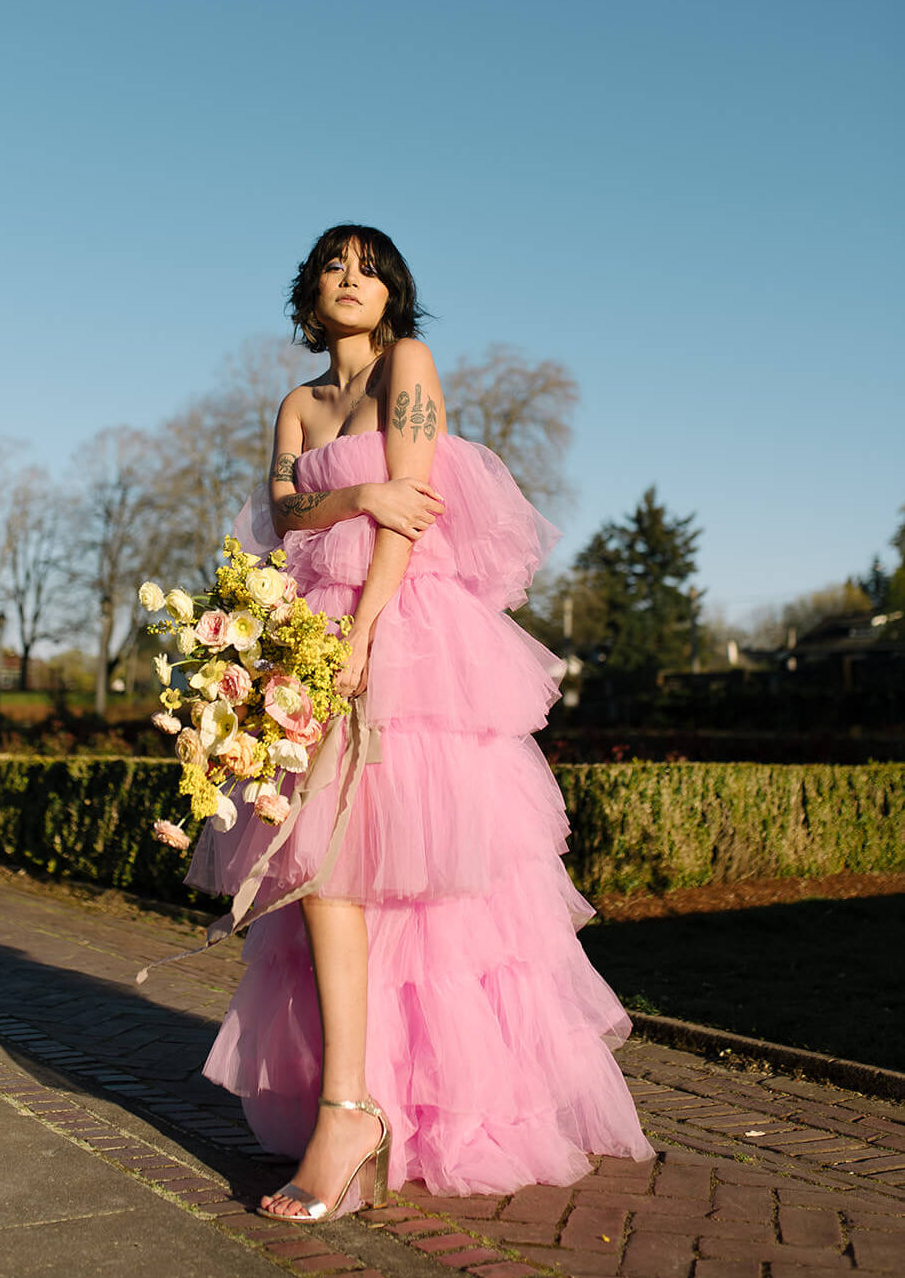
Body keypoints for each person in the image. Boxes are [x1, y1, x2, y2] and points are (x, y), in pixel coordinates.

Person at [186, 225, 654, 1225]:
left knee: (393, 876)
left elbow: (413, 512)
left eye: (369, 267)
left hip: (403, 635)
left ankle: (374, 1110)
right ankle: (354, 1106)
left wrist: (364, 633)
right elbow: (282, 517)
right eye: (333, 264)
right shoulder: (298, 404)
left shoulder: (409, 365)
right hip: (310, 635)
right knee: (323, 869)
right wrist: (354, 492)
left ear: (392, 291)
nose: (349, 278)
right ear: (309, 293)